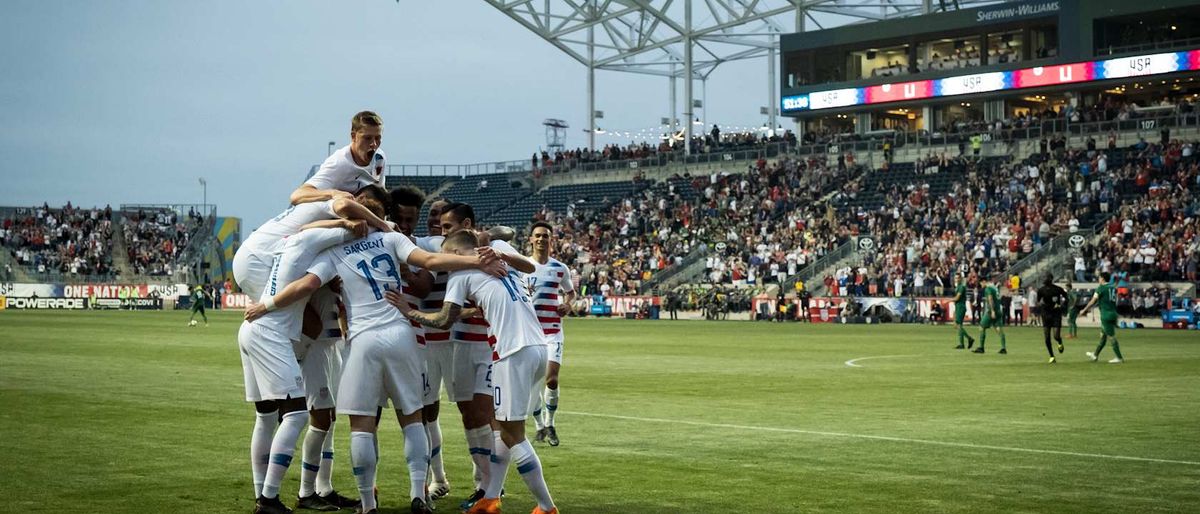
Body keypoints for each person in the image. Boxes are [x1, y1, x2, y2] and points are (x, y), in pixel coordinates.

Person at [245, 219, 507, 514]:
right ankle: (417, 494)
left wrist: (265, 305)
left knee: (362, 425)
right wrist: (476, 260)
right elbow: (431, 260)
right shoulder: (391, 239)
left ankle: (368, 504)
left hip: (362, 339)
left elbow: (306, 284)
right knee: (412, 418)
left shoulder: (334, 251)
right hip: (401, 332)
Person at [392, 229, 559, 514]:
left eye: (446, 255)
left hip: (512, 352)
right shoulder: (501, 264)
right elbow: (530, 266)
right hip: (539, 348)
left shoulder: (460, 275)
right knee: (505, 427)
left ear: (456, 254)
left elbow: (445, 319)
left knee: (512, 433)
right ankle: (490, 497)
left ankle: (546, 506)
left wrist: (410, 312)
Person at [239, 220, 378, 514]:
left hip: (289, 337)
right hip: (303, 345)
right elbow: (312, 323)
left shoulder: (298, 248)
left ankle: (298, 491)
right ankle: (289, 494)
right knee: (308, 416)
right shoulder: (320, 259)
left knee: (281, 418)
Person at [436, 202, 537, 509]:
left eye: (448, 227)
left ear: (466, 225)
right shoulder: (440, 248)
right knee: (469, 414)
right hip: (460, 343)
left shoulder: (494, 245)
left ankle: (491, 488)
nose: (442, 232)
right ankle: (483, 483)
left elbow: (512, 237)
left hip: (491, 344)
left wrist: (486, 242)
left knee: (493, 417)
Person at [526, 221, 577, 447]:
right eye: (537, 236)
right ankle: (538, 426)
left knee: (552, 379)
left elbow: (570, 292)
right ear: (531, 239)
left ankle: (550, 423)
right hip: (529, 333)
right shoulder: (521, 267)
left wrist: (567, 305)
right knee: (533, 384)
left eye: (545, 236)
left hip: (553, 331)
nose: (541, 239)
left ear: (550, 240)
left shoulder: (560, 268)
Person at [290, 111, 387, 205]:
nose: (373, 144)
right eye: (367, 138)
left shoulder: (379, 158)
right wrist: (334, 194)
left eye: (378, 138)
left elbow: (380, 194)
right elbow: (297, 195)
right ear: (353, 136)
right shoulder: (339, 163)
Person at [1080, 272, 1125, 363]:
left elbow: (1093, 301)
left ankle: (1119, 358)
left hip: (1106, 315)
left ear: (1103, 279)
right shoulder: (1112, 288)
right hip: (1113, 313)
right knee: (1103, 336)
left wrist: (1084, 310)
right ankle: (1095, 355)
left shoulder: (1101, 288)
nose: (1098, 280)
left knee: (1111, 337)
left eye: (1099, 278)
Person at [1036, 274, 1069, 364]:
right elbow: (1038, 301)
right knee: (1047, 336)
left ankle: (1059, 341)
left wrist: (1062, 305)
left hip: (1056, 314)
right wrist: (1040, 305)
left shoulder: (1057, 289)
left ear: (1050, 279)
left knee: (1056, 335)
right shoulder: (1041, 290)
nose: (1044, 279)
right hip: (1046, 314)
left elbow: (1066, 297)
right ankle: (1051, 356)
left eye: (1045, 278)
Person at [973, 275, 1007, 355]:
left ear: (983, 282)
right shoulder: (994, 288)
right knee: (998, 328)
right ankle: (1003, 348)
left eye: (981, 284)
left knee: (981, 327)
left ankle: (981, 348)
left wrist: (992, 311)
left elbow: (990, 299)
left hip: (992, 310)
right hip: (999, 310)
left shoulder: (988, 289)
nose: (981, 286)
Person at [952, 274, 976, 349]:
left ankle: (969, 339)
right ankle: (961, 344)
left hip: (961, 307)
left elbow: (957, 298)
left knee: (958, 325)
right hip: (958, 306)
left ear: (961, 279)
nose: (956, 279)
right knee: (959, 325)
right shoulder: (958, 287)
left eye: (958, 278)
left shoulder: (961, 287)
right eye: (955, 278)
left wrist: (949, 300)